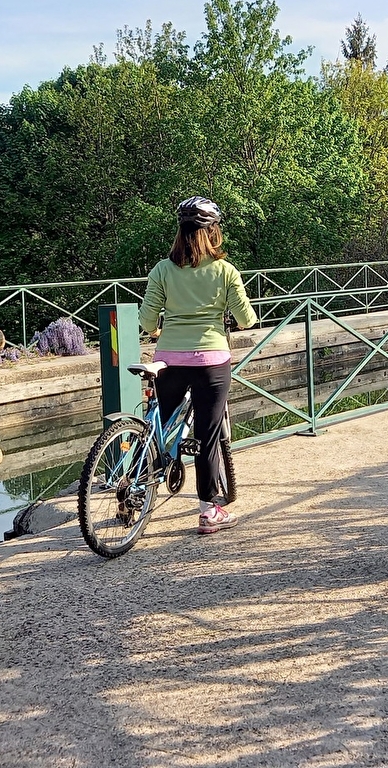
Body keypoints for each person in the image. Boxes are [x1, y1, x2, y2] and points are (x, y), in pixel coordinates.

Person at [139, 196, 257, 534]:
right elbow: (246, 319)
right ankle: (208, 512)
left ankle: (133, 489)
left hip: (168, 359)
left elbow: (147, 322)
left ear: (180, 232)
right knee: (208, 436)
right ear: (213, 232)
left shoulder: (162, 270)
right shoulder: (225, 271)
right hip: (211, 362)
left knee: (157, 428)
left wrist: (163, 328)